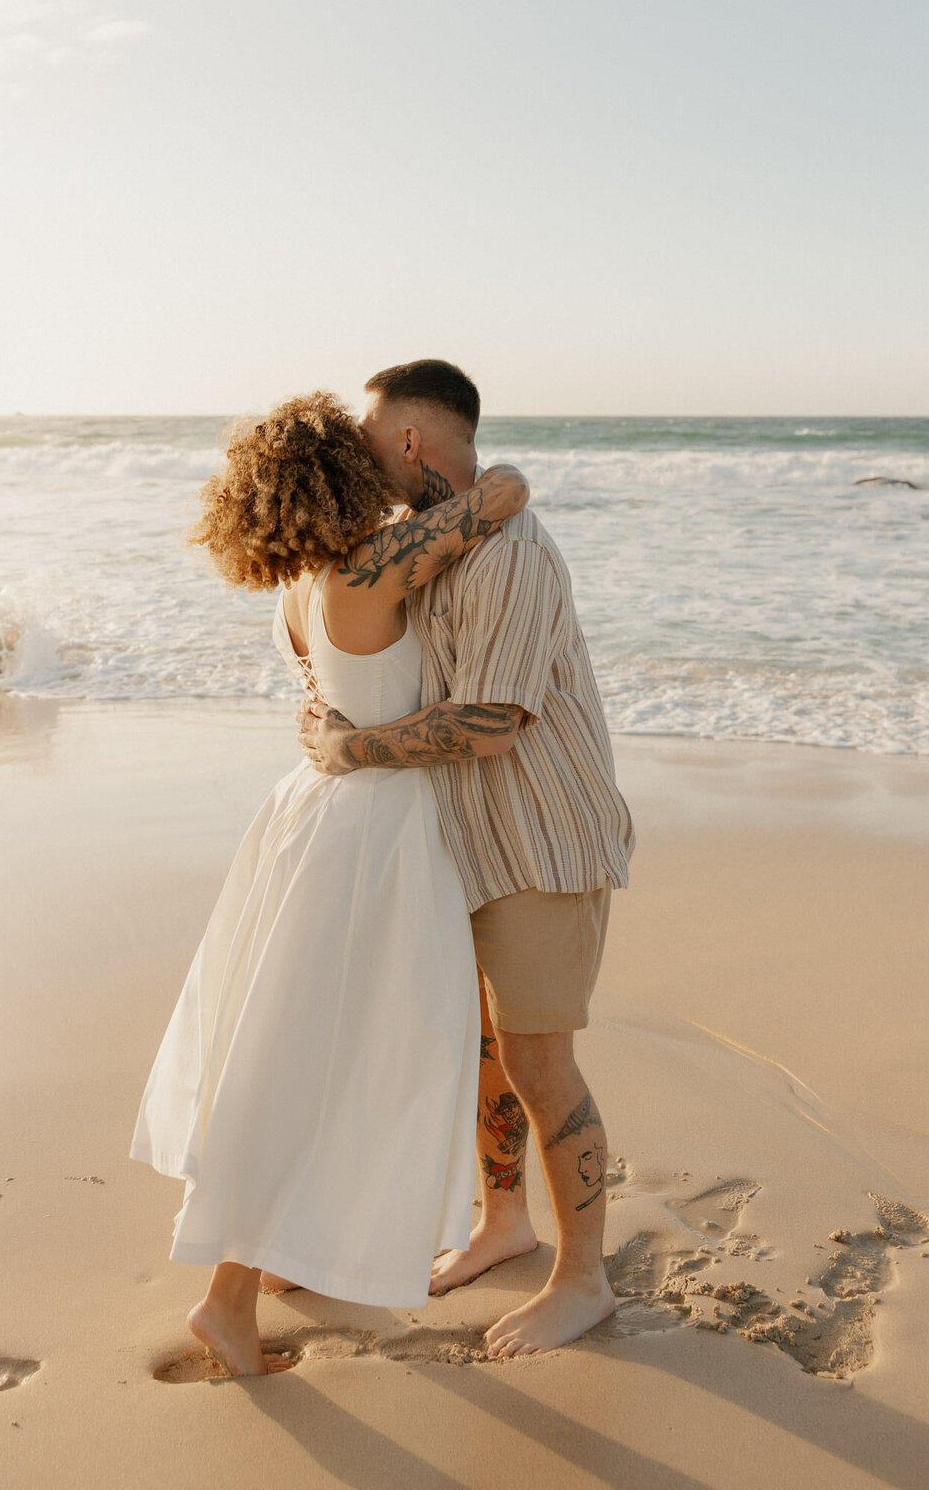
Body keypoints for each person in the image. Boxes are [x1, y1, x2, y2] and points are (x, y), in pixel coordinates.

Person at [128, 390, 529, 1378]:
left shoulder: (300, 588)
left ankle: (273, 1262)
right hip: (375, 833)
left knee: (291, 1042)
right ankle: (225, 1296)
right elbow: (508, 490)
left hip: (311, 815)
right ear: (341, 472)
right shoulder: (373, 566)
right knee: (321, 1062)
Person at [298, 359, 636, 1358]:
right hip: (466, 839)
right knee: (489, 1046)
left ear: (408, 438)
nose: (360, 449)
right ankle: (506, 1221)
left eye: (368, 432)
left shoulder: (511, 555)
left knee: (539, 1058)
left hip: (541, 836)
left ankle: (585, 1280)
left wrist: (350, 749)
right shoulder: (443, 539)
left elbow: (490, 721)